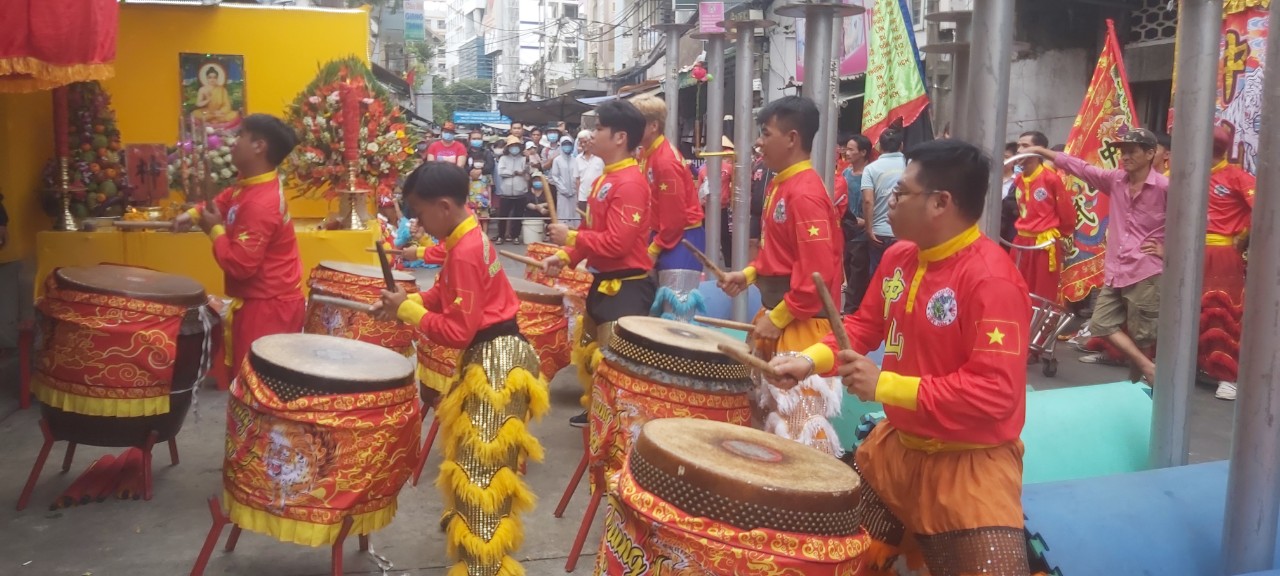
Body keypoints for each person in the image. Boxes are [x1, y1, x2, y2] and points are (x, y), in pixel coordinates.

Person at [769, 139, 1033, 574]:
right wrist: (809, 362)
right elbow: (860, 328)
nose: (888, 202)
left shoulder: (992, 280)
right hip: (894, 454)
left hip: (968, 469)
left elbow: (995, 392)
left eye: (901, 193)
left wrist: (884, 386)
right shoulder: (899, 257)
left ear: (941, 202)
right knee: (837, 556)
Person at [375, 162, 547, 576]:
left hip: (497, 365)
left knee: (480, 473)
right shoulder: (466, 234)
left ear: (445, 206)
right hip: (493, 357)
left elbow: (457, 331)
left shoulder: (466, 250)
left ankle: (483, 566)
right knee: (470, 462)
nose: (417, 223)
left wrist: (410, 311)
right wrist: (407, 302)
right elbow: (448, 296)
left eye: (419, 213)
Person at [717, 96, 844, 455]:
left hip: (800, 325)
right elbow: (783, 255)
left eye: (765, 132)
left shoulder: (805, 192)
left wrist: (780, 316)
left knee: (798, 435)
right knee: (767, 426)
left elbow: (817, 273)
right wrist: (749, 274)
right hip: (779, 317)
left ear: (791, 138)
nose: (759, 141)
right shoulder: (781, 184)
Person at [540, 100, 654, 426]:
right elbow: (593, 232)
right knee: (595, 359)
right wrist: (563, 256)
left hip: (627, 289)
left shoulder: (630, 182)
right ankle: (599, 412)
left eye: (599, 128)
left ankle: (617, 429)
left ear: (620, 137)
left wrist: (572, 239)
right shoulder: (606, 179)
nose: (591, 134)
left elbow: (618, 242)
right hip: (603, 282)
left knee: (617, 366)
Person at [1026, 128, 1168, 385]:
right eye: (1122, 152)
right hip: (1116, 270)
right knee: (1101, 324)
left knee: (1143, 337)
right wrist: (1040, 151)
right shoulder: (1115, 180)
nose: (1124, 157)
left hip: (1147, 271)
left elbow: (1198, 220)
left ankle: (1140, 389)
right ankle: (1148, 368)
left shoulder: (1165, 187)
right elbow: (1079, 167)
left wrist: (1165, 250)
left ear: (1150, 154)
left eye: (1131, 151)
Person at [172, 114, 304, 370]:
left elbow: (241, 266)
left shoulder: (259, 204)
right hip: (263, 303)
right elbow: (223, 200)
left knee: (257, 387)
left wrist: (214, 230)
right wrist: (192, 214)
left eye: (241, 135)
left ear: (259, 146)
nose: (234, 141)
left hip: (268, 310)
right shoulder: (250, 184)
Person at [1147, 127, 1253, 400]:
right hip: (1185, 249)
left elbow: (1263, 208)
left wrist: (1244, 235)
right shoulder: (1184, 176)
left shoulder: (1237, 176)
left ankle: (1227, 375)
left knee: (1220, 309)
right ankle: (1181, 366)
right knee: (1180, 307)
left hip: (1221, 253)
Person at [632, 95, 706, 321]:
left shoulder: (664, 160)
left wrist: (653, 250)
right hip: (663, 235)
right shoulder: (647, 153)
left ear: (653, 126)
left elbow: (674, 219)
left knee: (677, 315)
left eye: (635, 124)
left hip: (681, 239)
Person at [1013, 131, 1076, 304]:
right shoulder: (1018, 179)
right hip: (1020, 242)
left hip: (1043, 245)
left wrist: (1059, 237)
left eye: (1025, 146)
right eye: (1018, 145)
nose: (1019, 150)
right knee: (1016, 289)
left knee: (1042, 294)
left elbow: (1068, 215)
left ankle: (1042, 330)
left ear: (1039, 150)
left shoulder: (1050, 179)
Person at [862, 128, 906, 273]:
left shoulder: (870, 169)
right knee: (901, 276)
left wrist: (869, 229)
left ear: (879, 146)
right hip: (904, 232)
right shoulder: (910, 165)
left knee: (878, 276)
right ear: (901, 146)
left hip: (879, 232)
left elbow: (868, 201)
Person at [841, 134, 872, 314]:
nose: (847, 152)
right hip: (847, 232)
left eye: (852, 149)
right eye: (847, 148)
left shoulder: (869, 174)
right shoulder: (845, 173)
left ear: (863, 152)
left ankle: (851, 313)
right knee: (849, 271)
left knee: (858, 277)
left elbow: (871, 202)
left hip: (861, 235)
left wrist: (865, 222)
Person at [495, 135, 531, 244]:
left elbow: (528, 171)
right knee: (503, 215)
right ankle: (501, 236)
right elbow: (501, 172)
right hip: (506, 192)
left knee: (518, 215)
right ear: (508, 147)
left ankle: (515, 235)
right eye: (512, 146)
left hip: (520, 191)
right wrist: (514, 173)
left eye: (516, 146)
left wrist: (528, 160)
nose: (514, 148)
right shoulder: (503, 158)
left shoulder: (524, 159)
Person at [574, 129, 605, 227]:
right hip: (583, 197)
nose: (583, 144)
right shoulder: (578, 159)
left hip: (597, 196)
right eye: (580, 142)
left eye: (585, 142)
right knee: (584, 222)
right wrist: (578, 198)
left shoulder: (600, 157)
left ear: (590, 141)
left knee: (597, 222)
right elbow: (577, 180)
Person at [547, 135, 579, 223]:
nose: (567, 147)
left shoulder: (576, 160)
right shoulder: (557, 160)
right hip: (562, 194)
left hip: (574, 193)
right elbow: (555, 176)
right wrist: (563, 189)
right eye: (565, 145)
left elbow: (577, 176)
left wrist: (574, 189)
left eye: (569, 145)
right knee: (563, 215)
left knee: (575, 215)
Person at [999, 142, 1020, 244]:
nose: (1001, 160)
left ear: (1015, 160)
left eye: (1006, 157)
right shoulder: (986, 178)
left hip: (1008, 232)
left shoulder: (1018, 182)